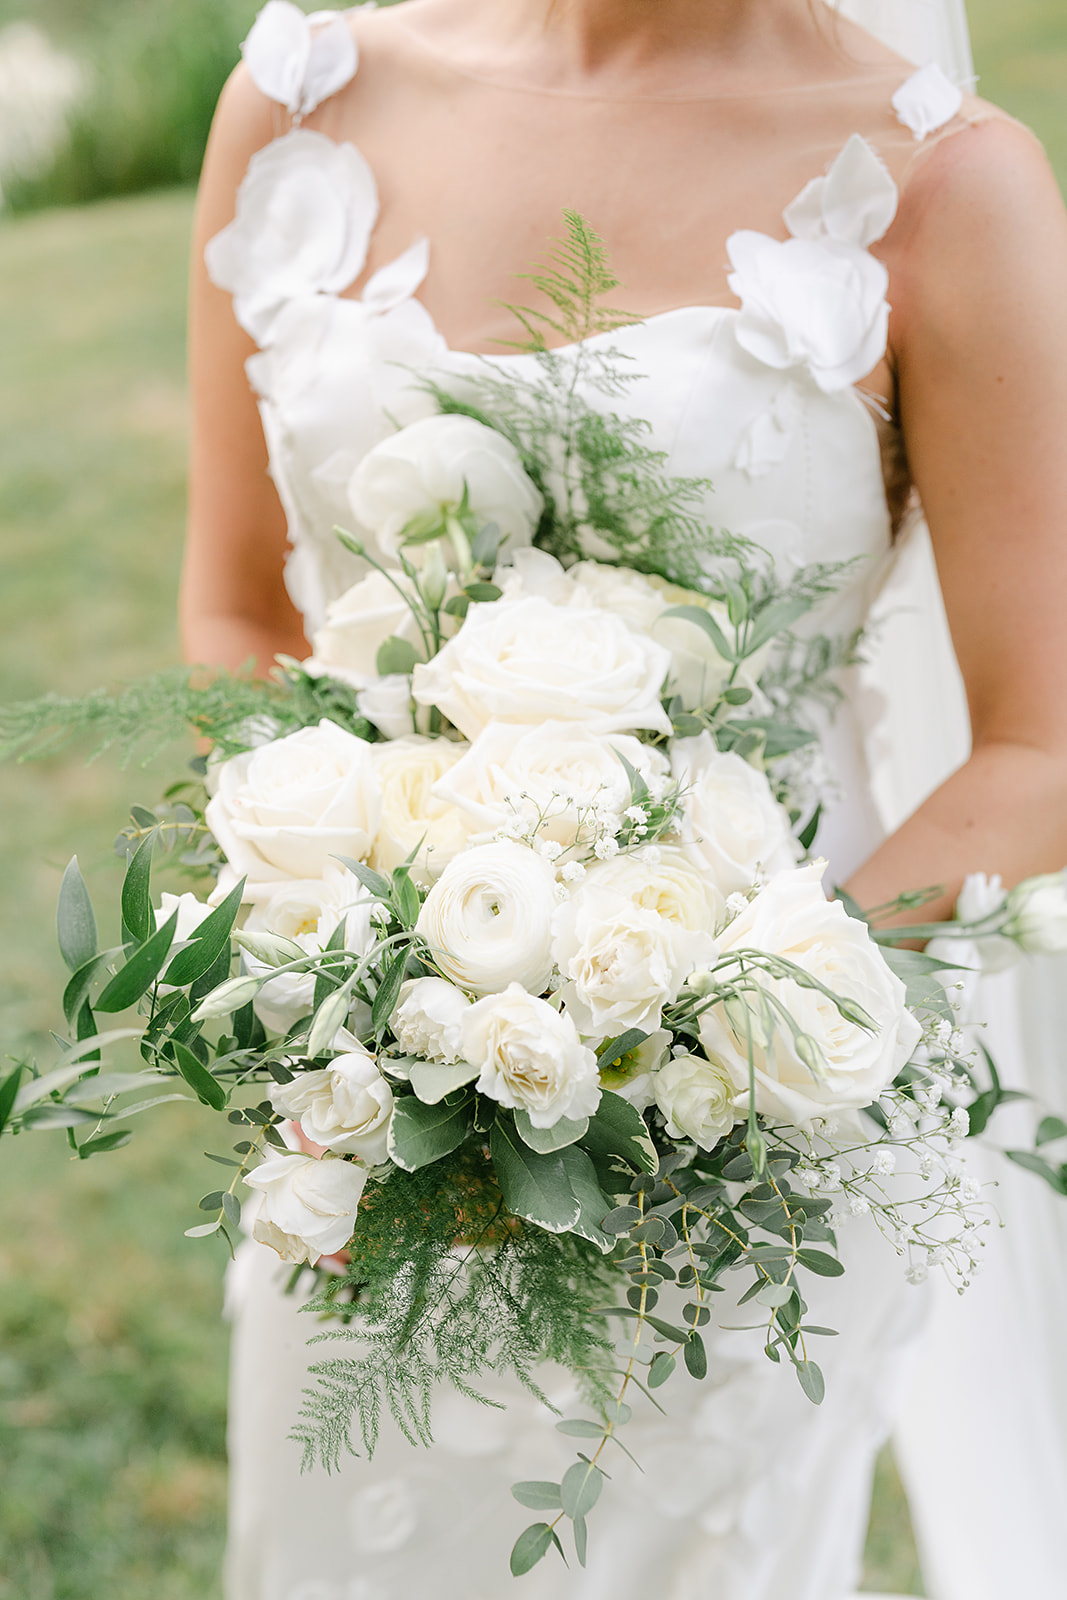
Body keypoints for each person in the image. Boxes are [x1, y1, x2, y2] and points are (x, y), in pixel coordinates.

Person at [181, 2, 1067, 1596]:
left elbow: (1042, 746)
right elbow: (240, 617)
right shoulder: (302, 100)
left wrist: (694, 1030)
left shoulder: (948, 183)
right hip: (362, 1109)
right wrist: (369, 976)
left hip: (753, 1146)